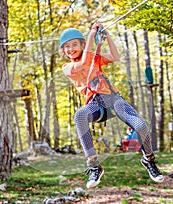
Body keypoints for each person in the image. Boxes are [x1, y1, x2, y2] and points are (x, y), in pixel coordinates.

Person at [59, 23, 164, 189]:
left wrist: (106, 37)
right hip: (96, 105)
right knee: (80, 115)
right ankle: (94, 165)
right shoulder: (67, 68)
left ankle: (148, 159)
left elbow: (115, 56)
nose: (70, 49)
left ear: (81, 44)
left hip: (114, 100)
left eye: (74, 45)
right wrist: (92, 32)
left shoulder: (94, 56)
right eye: (66, 47)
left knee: (141, 126)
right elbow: (84, 62)